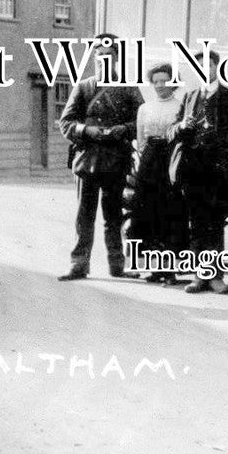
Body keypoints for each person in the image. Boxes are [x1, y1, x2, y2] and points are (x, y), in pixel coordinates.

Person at [58, 35, 144, 281]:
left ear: (116, 59)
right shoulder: (83, 87)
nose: (103, 61)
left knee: (113, 216)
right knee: (84, 215)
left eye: (108, 57)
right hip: (87, 161)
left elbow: (142, 119)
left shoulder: (129, 88)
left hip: (116, 160)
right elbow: (66, 122)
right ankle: (78, 265)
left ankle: (117, 266)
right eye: (99, 57)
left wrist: (124, 130)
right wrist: (86, 130)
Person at [168, 49, 228, 295]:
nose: (205, 70)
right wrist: (181, 126)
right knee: (197, 223)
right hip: (194, 169)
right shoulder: (189, 97)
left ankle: (216, 277)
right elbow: (171, 131)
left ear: (218, 68)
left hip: (220, 171)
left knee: (216, 224)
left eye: (209, 65)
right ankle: (199, 276)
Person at [127, 63, 187, 285]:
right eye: (156, 81)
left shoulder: (180, 106)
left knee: (170, 213)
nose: (161, 85)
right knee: (148, 212)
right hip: (150, 162)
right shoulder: (145, 108)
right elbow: (141, 140)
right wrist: (147, 158)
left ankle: (170, 270)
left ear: (173, 82)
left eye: (165, 81)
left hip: (171, 159)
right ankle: (154, 268)